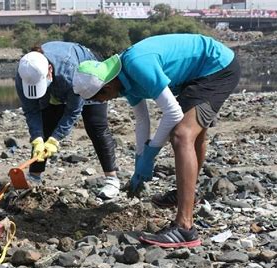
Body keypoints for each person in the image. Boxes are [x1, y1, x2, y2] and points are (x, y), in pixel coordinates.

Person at [72, 34, 240, 247]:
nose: (101, 103)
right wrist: (139, 160)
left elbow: (172, 113)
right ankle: (186, 194)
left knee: (181, 135)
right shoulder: (122, 80)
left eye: (98, 99)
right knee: (193, 134)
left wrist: (150, 155)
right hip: (196, 74)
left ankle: (185, 227)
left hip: (216, 68)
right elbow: (142, 119)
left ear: (105, 88)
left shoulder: (136, 65)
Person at [16, 41, 120, 200]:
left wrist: (55, 139)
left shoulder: (70, 72)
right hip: (57, 85)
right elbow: (31, 110)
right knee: (45, 126)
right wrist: (37, 137)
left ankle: (112, 179)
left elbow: (73, 110)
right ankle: (34, 178)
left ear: (49, 70)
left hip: (88, 75)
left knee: (96, 125)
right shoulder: (24, 73)